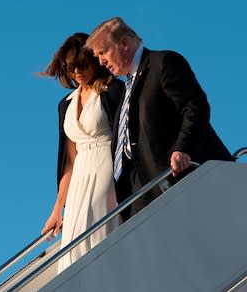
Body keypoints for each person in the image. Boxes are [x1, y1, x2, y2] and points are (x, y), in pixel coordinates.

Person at [84, 17, 233, 222]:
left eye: (103, 52)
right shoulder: (126, 88)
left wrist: (183, 148)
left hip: (178, 182)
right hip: (140, 193)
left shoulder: (162, 63)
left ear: (124, 43)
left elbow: (195, 107)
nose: (100, 61)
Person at [39, 33, 124, 274]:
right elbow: (69, 160)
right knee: (75, 241)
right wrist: (57, 209)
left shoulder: (113, 89)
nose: (76, 71)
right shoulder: (65, 103)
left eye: (82, 65)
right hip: (79, 178)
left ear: (94, 60)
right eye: (70, 67)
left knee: (98, 234)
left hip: (106, 168)